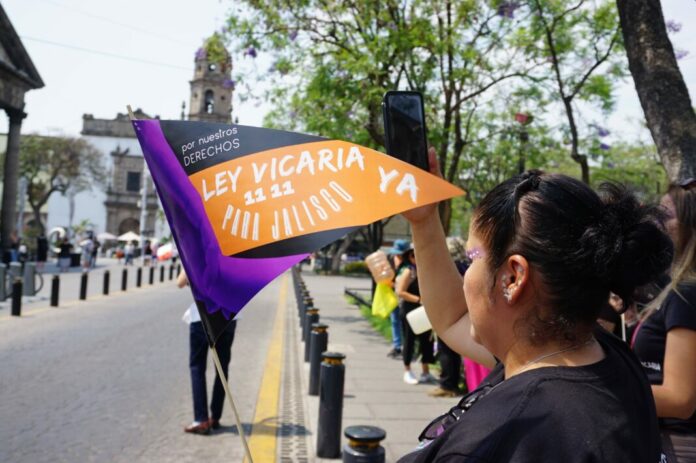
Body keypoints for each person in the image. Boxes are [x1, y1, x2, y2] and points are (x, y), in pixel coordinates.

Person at [398, 156, 672, 462]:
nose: (467, 274)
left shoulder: (502, 438)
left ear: (514, 277)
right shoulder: (600, 355)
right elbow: (453, 318)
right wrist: (424, 220)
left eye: (473, 257)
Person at [633, 179, 696, 462]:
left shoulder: (687, 293)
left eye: (665, 215)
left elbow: (681, 399)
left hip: (679, 446)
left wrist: (605, 391)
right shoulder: (676, 289)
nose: (654, 222)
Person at [177, 269, 237, 435]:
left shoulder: (197, 249)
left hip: (202, 316)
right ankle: (215, 417)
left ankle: (201, 419)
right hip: (229, 315)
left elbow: (180, 282)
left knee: (197, 367)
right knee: (222, 368)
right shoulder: (235, 250)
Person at [396, 245, 436, 385]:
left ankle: (425, 371)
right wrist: (419, 300)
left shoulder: (426, 271)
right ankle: (407, 370)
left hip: (424, 310)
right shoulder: (409, 271)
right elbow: (400, 292)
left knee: (426, 341)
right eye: (413, 255)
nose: (416, 258)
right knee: (409, 340)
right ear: (409, 257)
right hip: (409, 310)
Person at [386, 239, 410, 359]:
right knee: (394, 321)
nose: (397, 255)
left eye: (399, 253)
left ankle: (407, 348)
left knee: (405, 324)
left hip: (405, 298)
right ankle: (397, 346)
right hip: (393, 296)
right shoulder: (391, 259)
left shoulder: (409, 264)